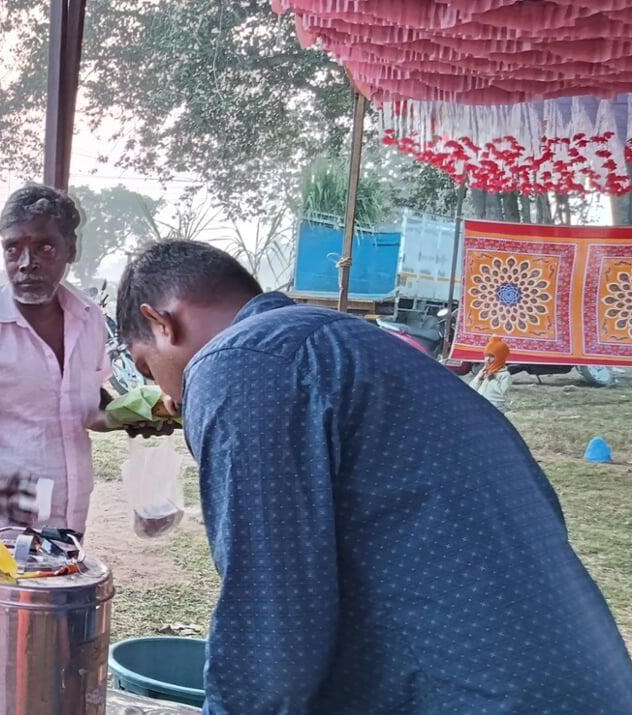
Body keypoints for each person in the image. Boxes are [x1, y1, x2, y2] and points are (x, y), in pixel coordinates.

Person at [115, 240, 632, 713]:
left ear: (161, 323)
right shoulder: (351, 345)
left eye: (147, 367)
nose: (170, 398)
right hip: (583, 678)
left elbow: (272, 614)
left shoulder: (239, 362)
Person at [0, 185, 132, 539]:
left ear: (71, 250)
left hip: (69, 527)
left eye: (44, 247)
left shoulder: (89, 318)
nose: (25, 262)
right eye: (12, 248)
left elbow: (86, 403)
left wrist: (129, 417)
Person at [469, 335, 514, 412]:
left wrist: (492, 380)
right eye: (486, 356)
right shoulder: (483, 371)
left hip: (495, 409)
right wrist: (478, 380)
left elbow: (503, 395)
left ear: (500, 357)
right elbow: (471, 389)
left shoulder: (505, 375)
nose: (488, 359)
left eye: (492, 356)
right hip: (480, 406)